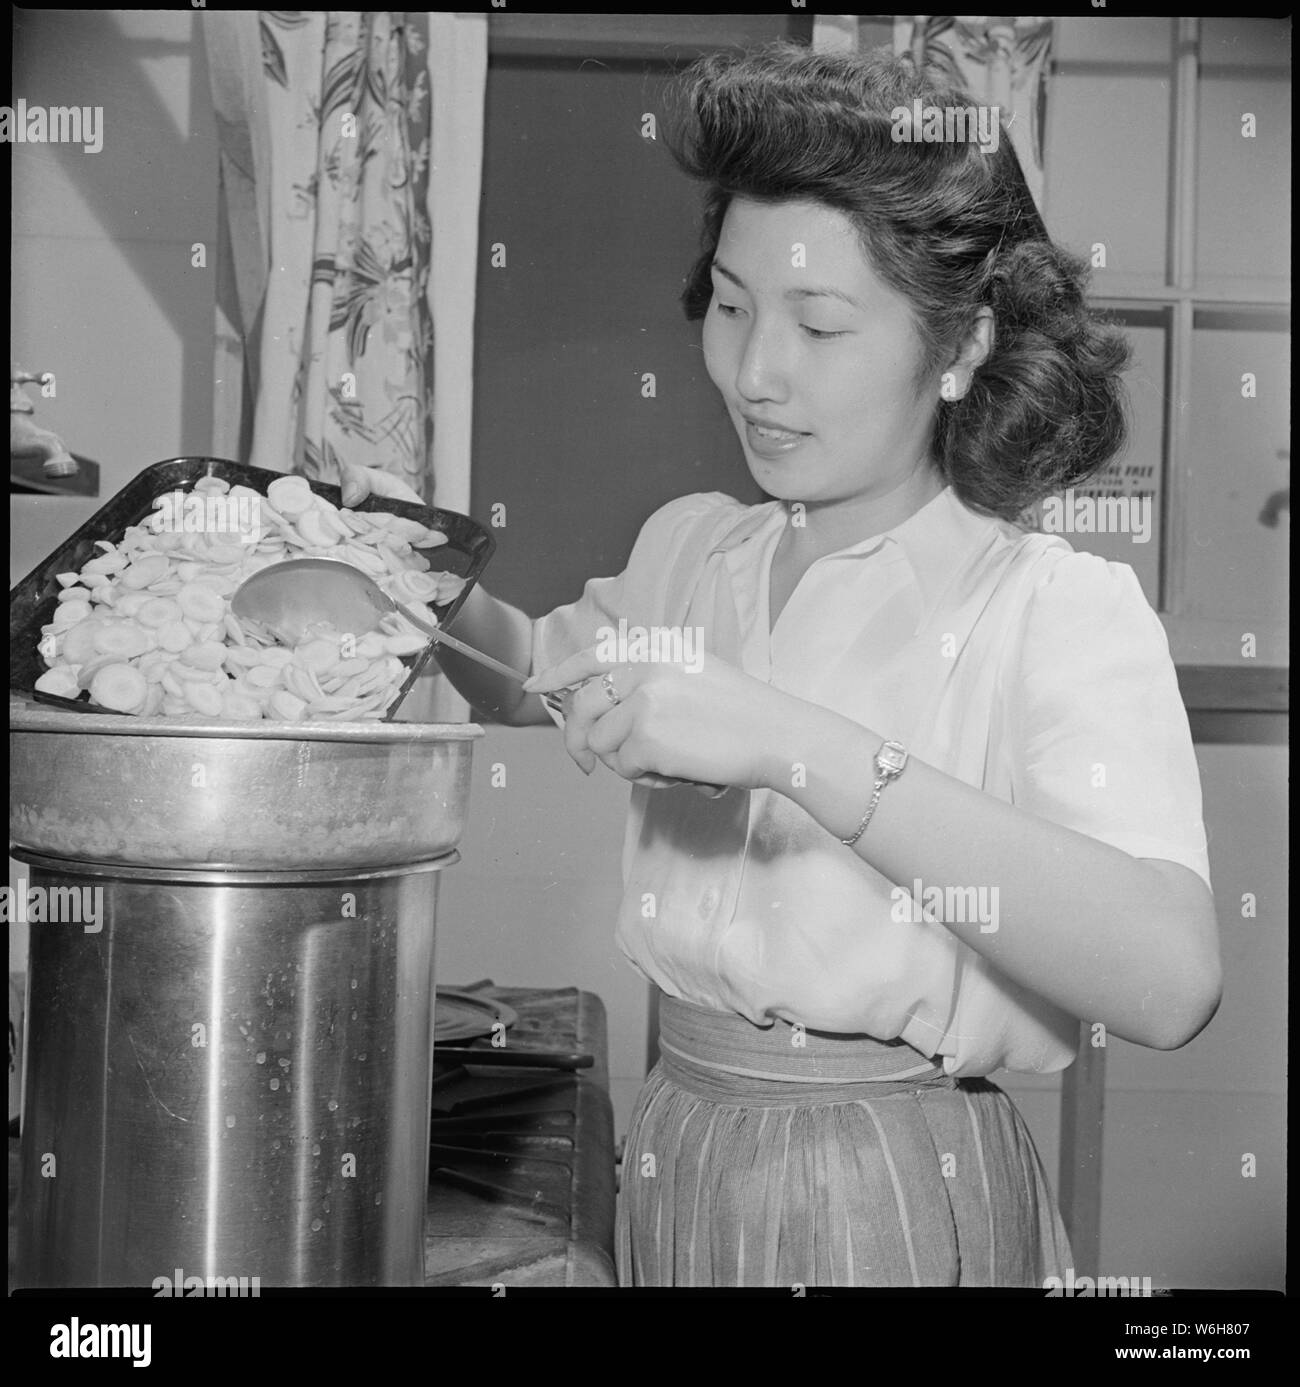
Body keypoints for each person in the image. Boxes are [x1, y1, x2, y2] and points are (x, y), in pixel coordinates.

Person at [342, 42, 1220, 1288]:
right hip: (683, 1134)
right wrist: (405, 578)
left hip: (895, 1180)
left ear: (960, 348)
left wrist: (790, 741)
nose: (755, 374)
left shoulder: (1050, 608)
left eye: (818, 324)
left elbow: (1169, 979)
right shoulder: (695, 549)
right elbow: (534, 674)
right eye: (735, 305)